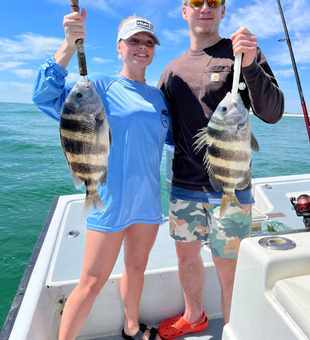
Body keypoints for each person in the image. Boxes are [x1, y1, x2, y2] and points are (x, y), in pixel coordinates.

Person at [32, 9, 172, 340]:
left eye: (149, 42)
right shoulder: (98, 87)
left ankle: (131, 327)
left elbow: (175, 140)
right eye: (134, 40)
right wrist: (68, 46)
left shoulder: (159, 97)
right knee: (92, 281)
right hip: (108, 199)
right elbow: (45, 96)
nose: (142, 46)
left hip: (148, 203)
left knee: (137, 270)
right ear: (119, 47)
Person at [157, 0, 284, 337]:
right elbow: (157, 124)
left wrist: (252, 64)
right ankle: (194, 315)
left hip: (231, 185)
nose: (205, 7)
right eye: (196, 2)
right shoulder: (171, 70)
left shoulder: (241, 54)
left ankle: (232, 329)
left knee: (230, 271)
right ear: (184, 11)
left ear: (223, 10)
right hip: (183, 186)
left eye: (213, 1)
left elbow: (272, 113)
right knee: (186, 259)